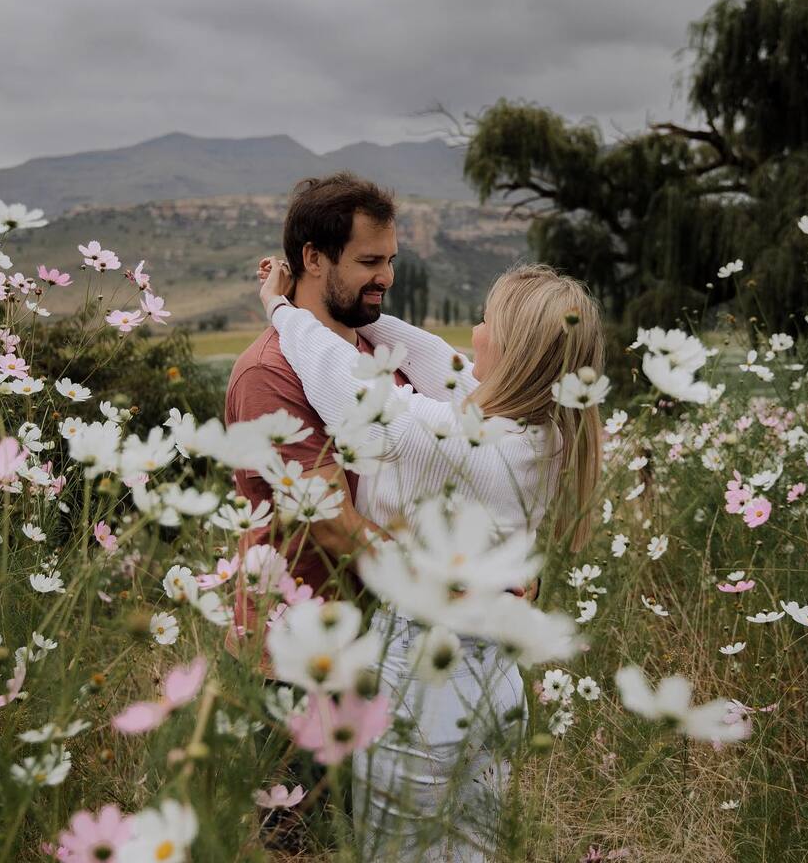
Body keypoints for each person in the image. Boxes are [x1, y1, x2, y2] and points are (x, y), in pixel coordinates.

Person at [258, 256, 606, 862]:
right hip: (493, 684)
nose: (472, 335)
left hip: (424, 688)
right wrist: (361, 321)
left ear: (511, 349)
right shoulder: (546, 431)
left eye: (482, 321)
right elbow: (441, 364)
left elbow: (346, 386)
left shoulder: (455, 443)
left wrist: (283, 311)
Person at [223, 172, 412, 662]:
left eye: (390, 261)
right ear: (313, 258)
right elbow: (330, 524)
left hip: (383, 643)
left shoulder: (386, 355)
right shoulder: (269, 373)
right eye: (369, 261)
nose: (386, 278)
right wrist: (444, 589)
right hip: (293, 657)